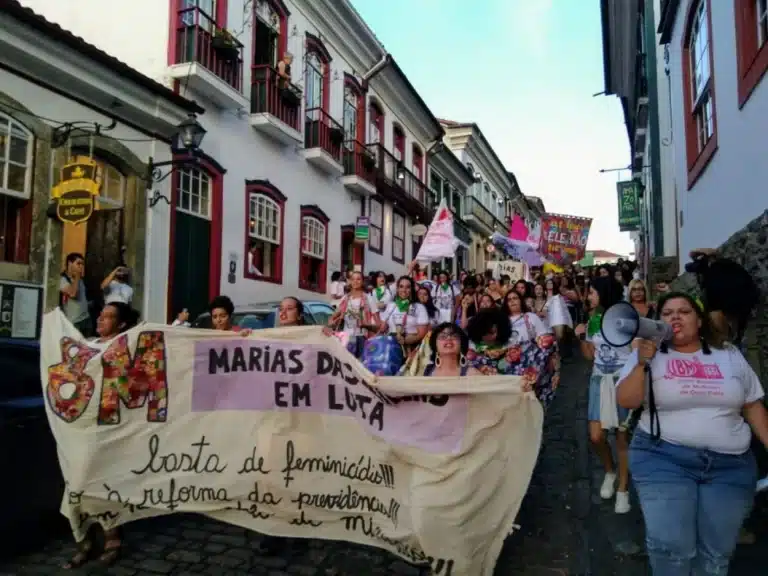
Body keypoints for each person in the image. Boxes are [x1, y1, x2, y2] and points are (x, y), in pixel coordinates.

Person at [617, 291, 768, 573]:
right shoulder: (646, 353)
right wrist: (641, 364)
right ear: (657, 321)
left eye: (684, 311)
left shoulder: (729, 355)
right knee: (671, 546)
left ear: (699, 321)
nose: (675, 316)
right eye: (666, 313)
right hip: (663, 459)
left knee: (716, 552)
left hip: (730, 466)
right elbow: (626, 401)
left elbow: (752, 405)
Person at [63, 302, 140, 569]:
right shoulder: (90, 345)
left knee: (105, 484)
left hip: (109, 429)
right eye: (100, 315)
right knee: (77, 485)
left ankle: (111, 539)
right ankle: (84, 541)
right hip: (83, 430)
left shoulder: (126, 348)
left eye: (108, 317)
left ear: (120, 324)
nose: (100, 319)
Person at [574, 275, 633, 514]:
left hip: (622, 380)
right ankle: (610, 471)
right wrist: (580, 335)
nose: (589, 296)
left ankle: (623, 488)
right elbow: (590, 355)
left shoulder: (626, 317)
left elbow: (636, 350)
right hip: (599, 380)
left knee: (621, 437)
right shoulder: (594, 320)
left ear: (605, 293)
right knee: (596, 436)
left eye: (593, 292)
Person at [329, 271, 377, 357]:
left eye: (358, 279)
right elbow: (334, 315)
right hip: (346, 338)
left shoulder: (368, 298)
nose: (355, 281)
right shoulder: (346, 298)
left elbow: (378, 324)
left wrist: (366, 325)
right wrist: (331, 321)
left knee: (360, 366)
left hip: (362, 337)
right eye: (353, 279)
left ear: (362, 281)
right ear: (350, 281)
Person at [378, 276, 429, 350]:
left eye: (408, 287)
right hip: (391, 348)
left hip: (411, 350)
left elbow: (421, 334)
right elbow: (382, 328)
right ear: (397, 289)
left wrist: (405, 341)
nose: (404, 290)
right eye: (401, 286)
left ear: (412, 289)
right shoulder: (391, 305)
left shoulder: (419, 307)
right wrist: (365, 325)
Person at [59, 252, 91, 336]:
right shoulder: (62, 279)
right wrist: (77, 275)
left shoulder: (80, 280)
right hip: (74, 322)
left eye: (82, 264)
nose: (81, 266)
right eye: (78, 263)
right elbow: (73, 294)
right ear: (70, 263)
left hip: (86, 319)